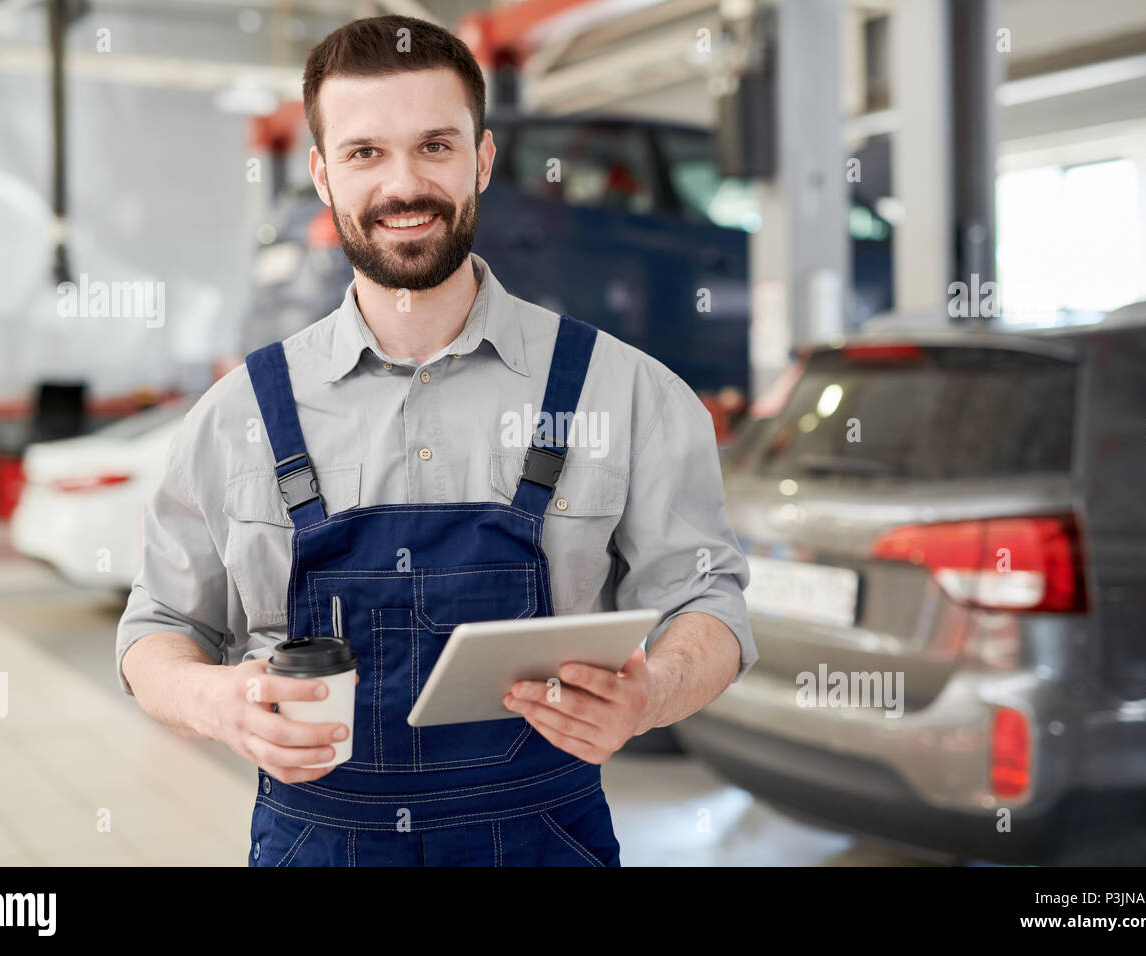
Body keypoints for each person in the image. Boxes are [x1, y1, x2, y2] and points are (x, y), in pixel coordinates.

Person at [116, 13, 755, 867]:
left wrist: (651, 694)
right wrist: (212, 700)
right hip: (318, 844)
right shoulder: (236, 417)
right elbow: (157, 628)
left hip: (545, 842)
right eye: (365, 153)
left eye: (436, 146)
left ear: (482, 161)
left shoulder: (625, 393)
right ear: (322, 175)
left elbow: (709, 603)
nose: (403, 186)